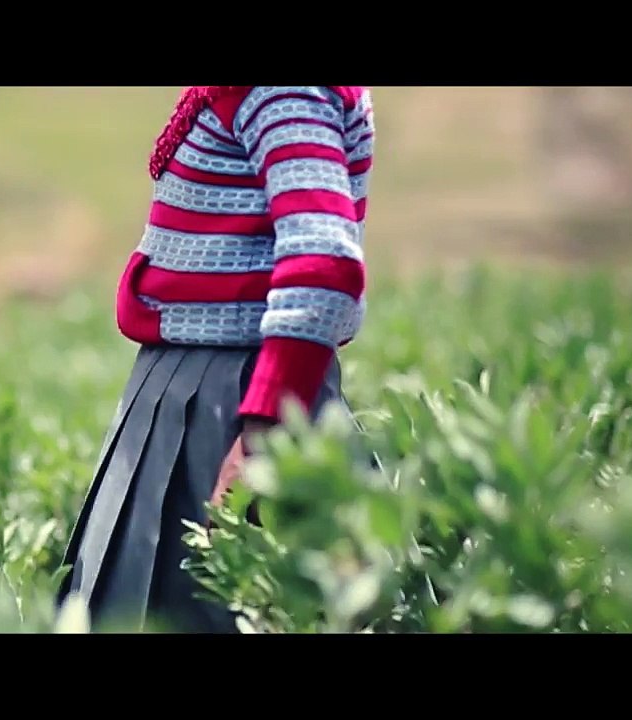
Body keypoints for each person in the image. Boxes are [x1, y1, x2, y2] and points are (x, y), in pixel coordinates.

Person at [55, 86, 375, 633]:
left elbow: (325, 262)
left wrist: (264, 432)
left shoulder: (284, 92)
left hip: (228, 403)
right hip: (192, 396)